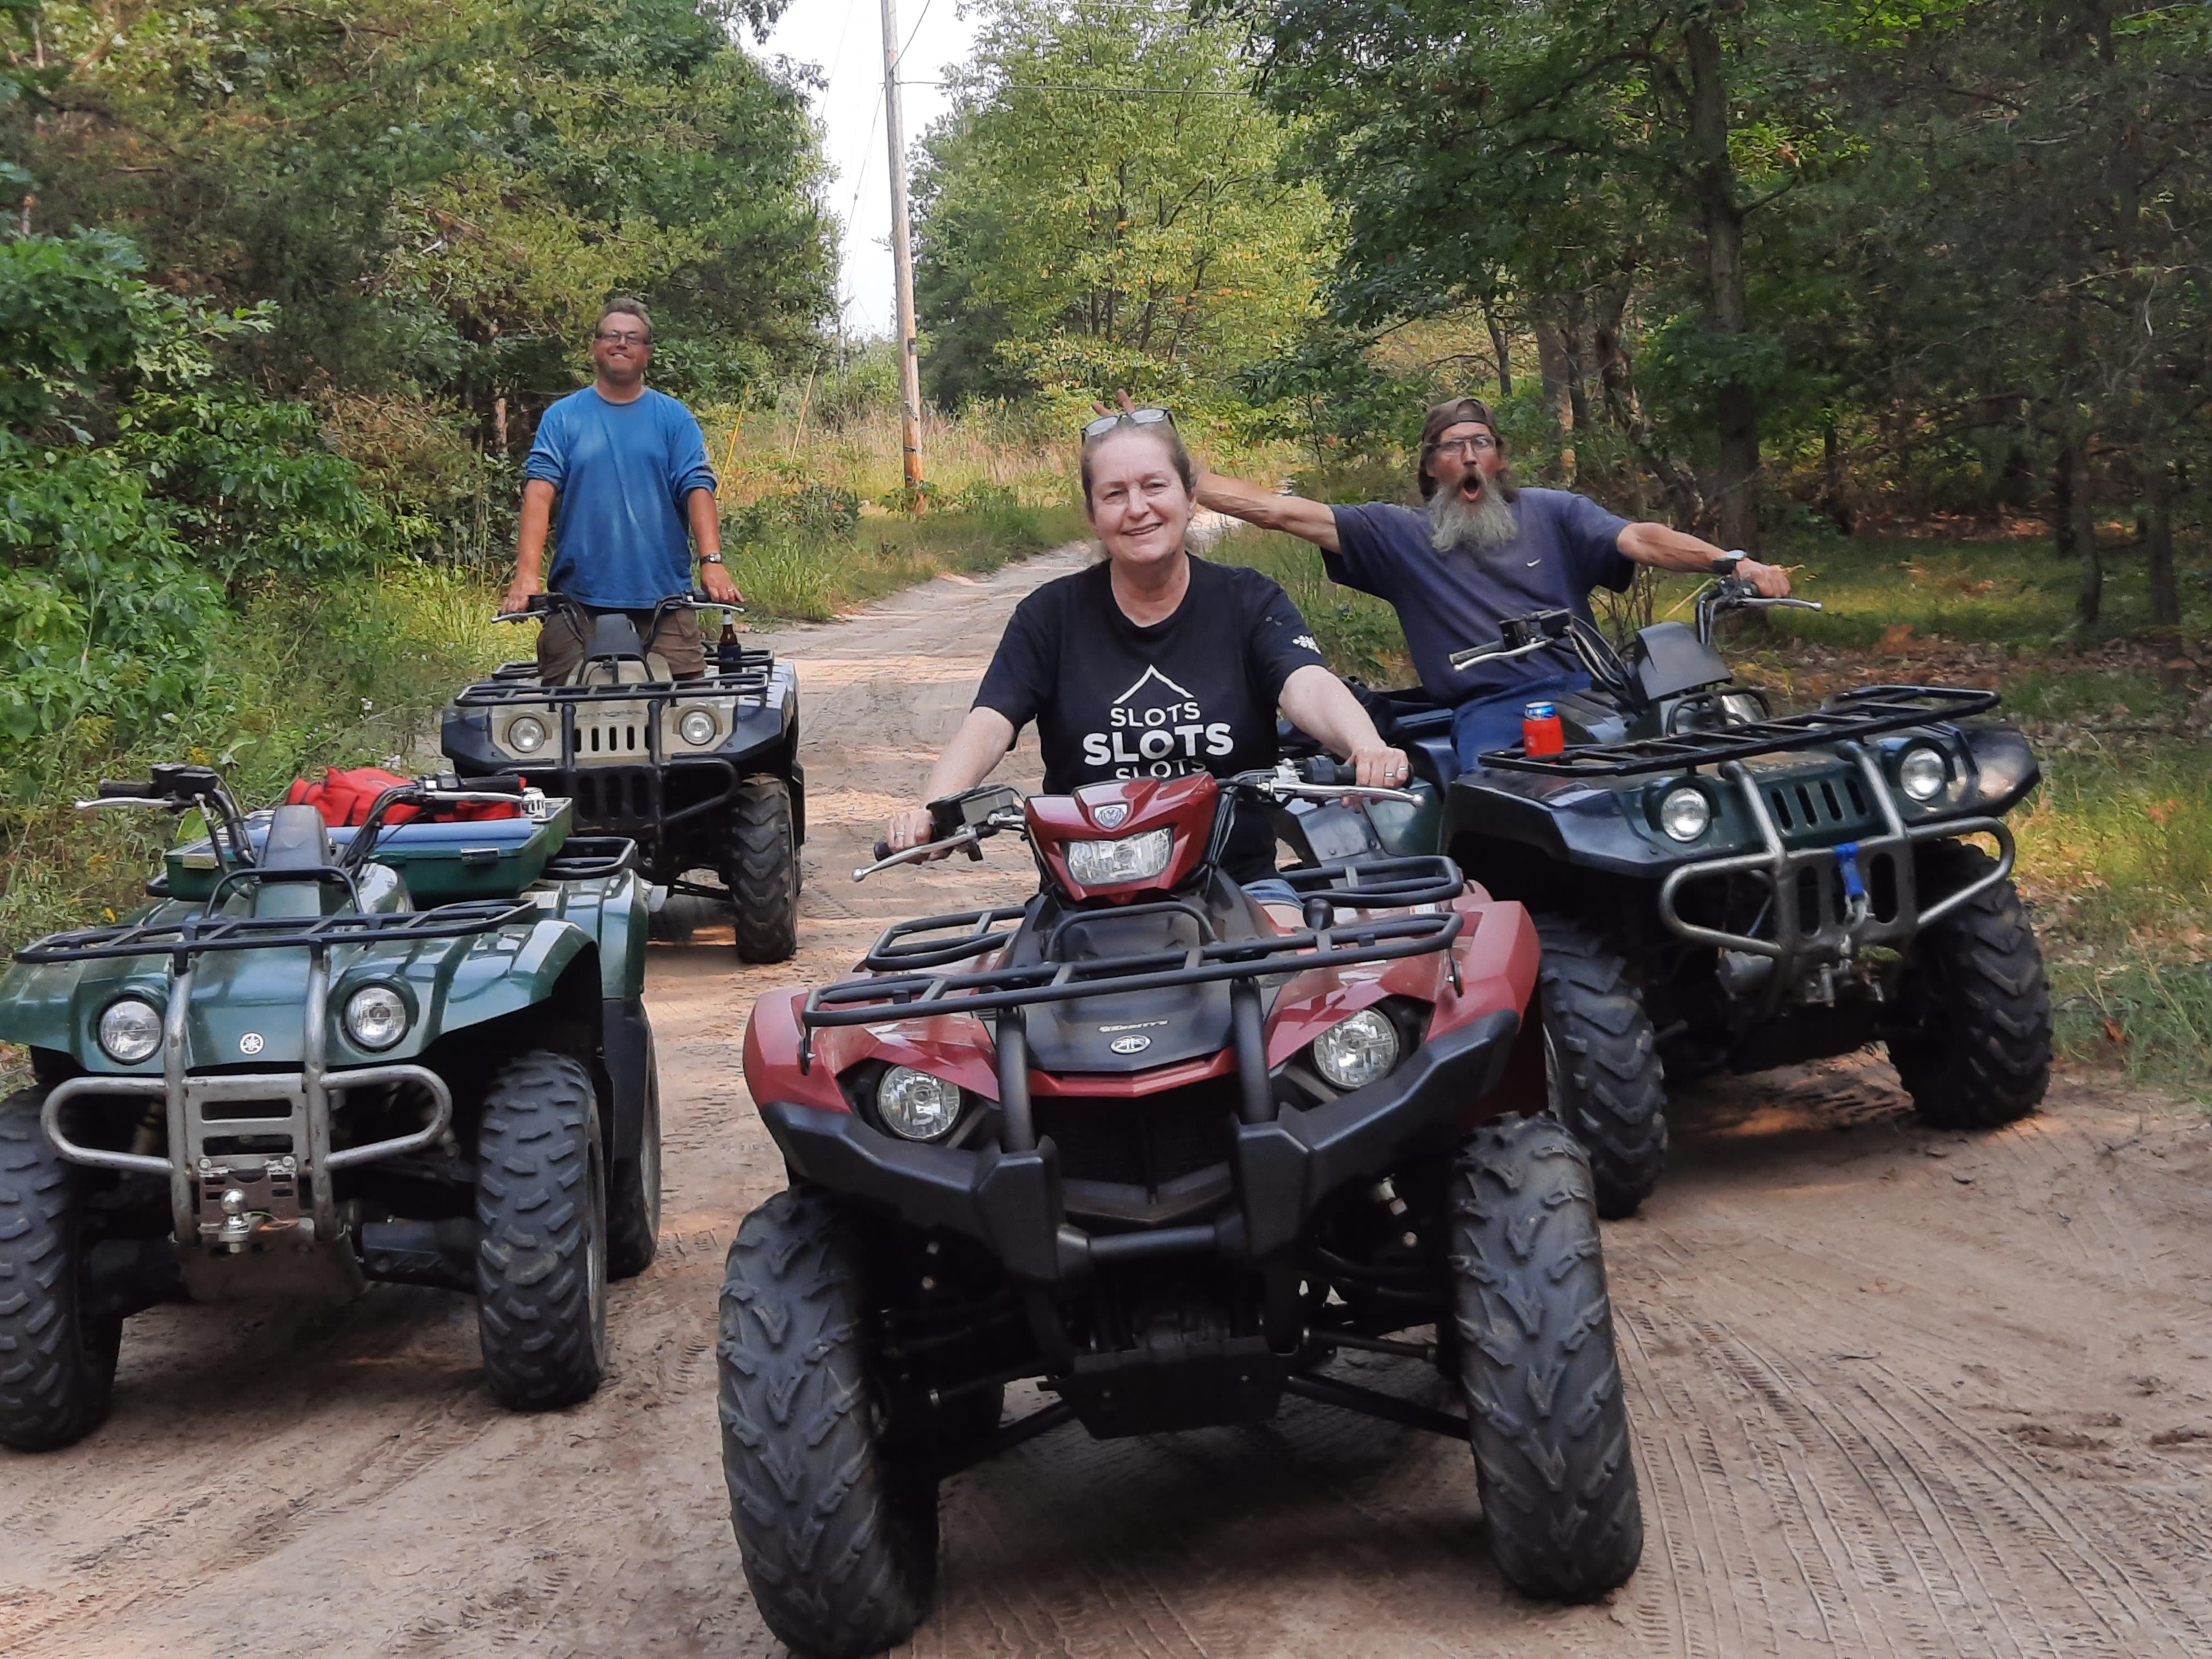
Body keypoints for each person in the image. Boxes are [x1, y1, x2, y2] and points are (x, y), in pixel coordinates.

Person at [884, 408, 1411, 896]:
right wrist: (936, 808)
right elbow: (989, 722)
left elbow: (1307, 684)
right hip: (1081, 898)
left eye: (1155, 486)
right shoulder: (1049, 616)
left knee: (1298, 983)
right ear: (1093, 515)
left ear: (1190, 497)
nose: (1138, 509)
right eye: (1114, 494)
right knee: (1013, 992)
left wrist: (1365, 747)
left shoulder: (1249, 600)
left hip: (1237, 882)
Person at [1194, 395, 1793, 769]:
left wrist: (1732, 563)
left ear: (1499, 457)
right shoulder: (1395, 534)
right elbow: (1280, 510)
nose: (1471, 456)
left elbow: (1640, 538)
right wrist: (1171, 471)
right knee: (1501, 792)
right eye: (1454, 447)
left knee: (1697, 764)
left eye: (1482, 442)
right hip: (1492, 708)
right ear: (1432, 467)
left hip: (1594, 690)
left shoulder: (1555, 512)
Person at [500, 298, 743, 682]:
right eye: (612, 335)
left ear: (647, 352)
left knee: (693, 719)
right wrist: (527, 575)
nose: (621, 344)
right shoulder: (563, 417)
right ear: (595, 347)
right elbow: (539, 492)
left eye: (633, 338)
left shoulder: (674, 418)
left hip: (665, 600)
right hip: (577, 602)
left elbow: (697, 487)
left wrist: (712, 562)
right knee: (560, 715)